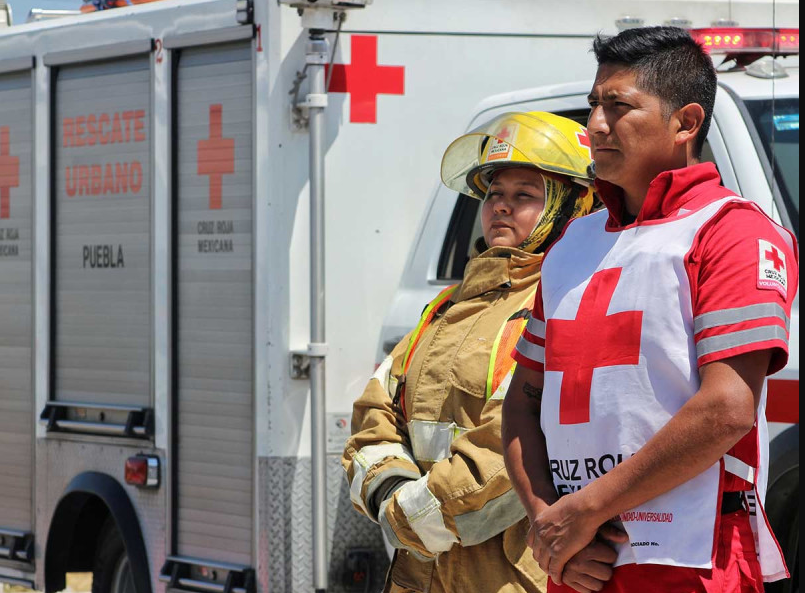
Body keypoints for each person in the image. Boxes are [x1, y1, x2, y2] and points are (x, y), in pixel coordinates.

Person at [502, 26, 798, 593]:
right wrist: (549, 522)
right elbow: (523, 401)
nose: (594, 126)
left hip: (693, 560)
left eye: (618, 107)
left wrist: (583, 511)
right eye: (593, 105)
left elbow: (728, 408)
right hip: (580, 560)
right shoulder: (571, 244)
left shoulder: (732, 232)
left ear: (686, 123)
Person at [342, 111, 599, 593]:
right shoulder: (447, 306)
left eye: (524, 195)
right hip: (420, 572)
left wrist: (415, 517)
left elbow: (515, 445)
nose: (500, 207)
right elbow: (375, 410)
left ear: (571, 208)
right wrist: (391, 495)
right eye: (493, 194)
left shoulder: (564, 303)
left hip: (510, 576)